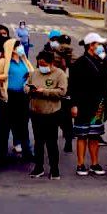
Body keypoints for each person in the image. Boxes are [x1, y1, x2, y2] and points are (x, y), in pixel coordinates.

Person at [69, 32, 107, 177]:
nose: (101, 47)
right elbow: (72, 86)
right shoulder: (79, 63)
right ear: (91, 46)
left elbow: (106, 81)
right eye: (98, 44)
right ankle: (80, 164)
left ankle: (94, 163)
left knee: (95, 135)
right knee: (82, 135)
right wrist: (73, 104)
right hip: (82, 104)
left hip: (98, 104)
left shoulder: (101, 62)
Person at [26, 50, 68, 180]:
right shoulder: (34, 73)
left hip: (51, 113)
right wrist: (29, 90)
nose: (41, 66)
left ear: (51, 63)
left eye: (44, 64)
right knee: (38, 142)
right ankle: (38, 167)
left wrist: (44, 91)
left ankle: (54, 169)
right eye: (39, 64)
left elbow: (62, 92)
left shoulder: (59, 74)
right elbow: (26, 86)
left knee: (51, 142)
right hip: (36, 112)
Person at [0, 38, 34, 164]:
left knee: (23, 124)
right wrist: (2, 77)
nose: (20, 47)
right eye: (17, 46)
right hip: (8, 96)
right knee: (5, 124)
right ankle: (2, 153)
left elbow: (32, 73)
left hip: (23, 96)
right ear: (11, 48)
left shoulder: (24, 61)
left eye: (20, 45)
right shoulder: (4, 62)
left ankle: (27, 151)